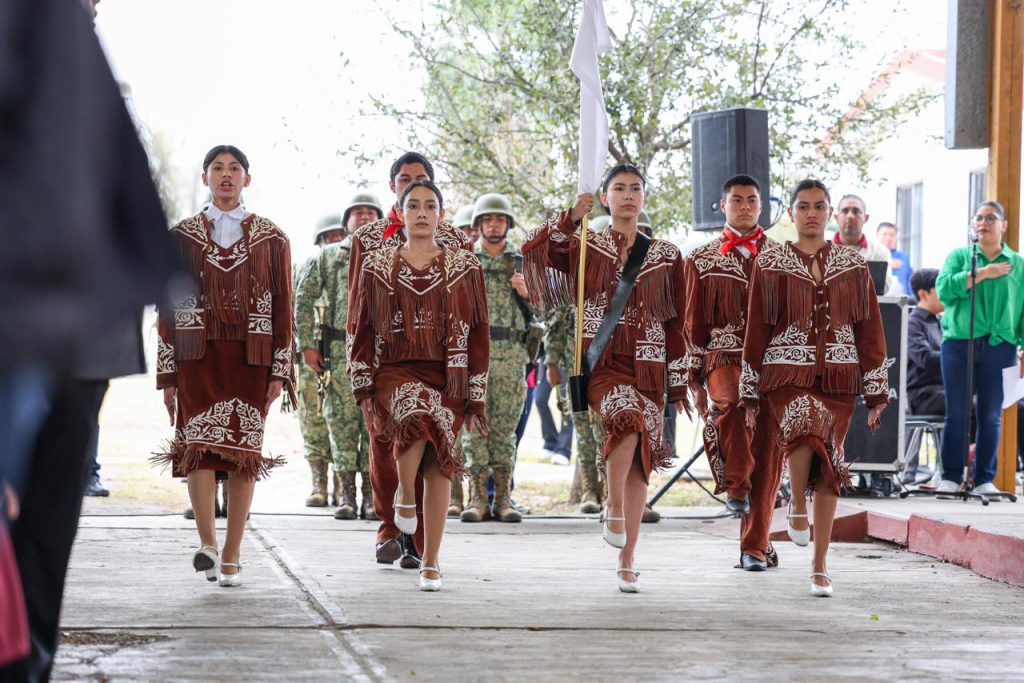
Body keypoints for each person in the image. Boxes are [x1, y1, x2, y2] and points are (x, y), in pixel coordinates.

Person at [0, 1, 181, 678]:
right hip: (20, 320)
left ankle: (30, 661)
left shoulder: (90, 69)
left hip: (82, 341)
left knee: (48, 521)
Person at [522, 164, 687, 592]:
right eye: (619, 188)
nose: (628, 195)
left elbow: (677, 321)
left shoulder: (667, 255)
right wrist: (571, 216)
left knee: (639, 464)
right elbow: (537, 250)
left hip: (650, 366)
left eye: (635, 188)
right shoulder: (585, 246)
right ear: (607, 197)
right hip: (603, 363)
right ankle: (612, 507)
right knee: (626, 416)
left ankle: (627, 558)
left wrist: (679, 380)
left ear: (644, 196)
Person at [154, 145, 294, 588]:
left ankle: (233, 553)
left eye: (235, 169)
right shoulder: (180, 237)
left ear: (247, 180)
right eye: (218, 168)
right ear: (205, 179)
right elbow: (166, 308)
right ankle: (207, 545)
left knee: (242, 456)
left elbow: (284, 310)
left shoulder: (273, 239)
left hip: (251, 358)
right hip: (196, 355)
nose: (226, 175)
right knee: (196, 446)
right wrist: (167, 373)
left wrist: (280, 370)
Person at [741, 179, 888, 597]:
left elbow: (870, 330)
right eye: (802, 206)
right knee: (804, 423)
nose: (811, 213)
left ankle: (820, 566)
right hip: (785, 376)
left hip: (839, 380)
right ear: (791, 213)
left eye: (818, 206)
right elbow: (757, 329)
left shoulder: (852, 264)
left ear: (829, 213)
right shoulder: (770, 263)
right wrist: (750, 392)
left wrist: (876, 394)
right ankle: (796, 505)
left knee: (830, 467)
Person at [350, 180, 489, 590]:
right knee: (416, 410)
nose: (423, 212)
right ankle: (404, 496)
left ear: (442, 215)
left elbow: (479, 333)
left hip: (450, 374)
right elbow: (361, 329)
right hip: (395, 371)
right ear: (400, 212)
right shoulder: (376, 265)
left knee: (441, 459)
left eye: (431, 206)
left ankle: (431, 561)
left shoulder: (466, 267)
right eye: (414, 206)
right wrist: (363, 387)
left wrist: (475, 395)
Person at [682, 173, 781, 571]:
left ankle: (755, 546)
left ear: (761, 206)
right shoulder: (700, 259)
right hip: (723, 356)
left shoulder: (781, 257)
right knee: (732, 403)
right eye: (736, 199)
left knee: (769, 453)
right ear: (722, 206)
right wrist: (694, 380)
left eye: (751, 200)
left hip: (774, 362)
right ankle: (736, 485)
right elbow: (692, 324)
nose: (744, 206)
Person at [296, 195, 384, 521]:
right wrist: (306, 344)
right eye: (357, 214)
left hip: (380, 355)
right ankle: (347, 497)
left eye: (370, 213)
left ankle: (372, 498)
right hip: (338, 351)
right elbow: (303, 299)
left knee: (374, 425)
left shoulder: (394, 255)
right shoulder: (329, 257)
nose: (364, 218)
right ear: (346, 222)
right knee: (341, 423)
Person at [935, 200, 1024, 499]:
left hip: (1002, 346)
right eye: (978, 218)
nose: (983, 223)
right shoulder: (961, 256)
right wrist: (982, 273)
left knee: (990, 415)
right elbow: (944, 290)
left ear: (1004, 226)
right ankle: (950, 476)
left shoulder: (1017, 263)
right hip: (959, 344)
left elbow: (1021, 308)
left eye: (990, 218)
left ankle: (984, 477)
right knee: (956, 412)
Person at [460, 193, 531, 524]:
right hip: (473, 356)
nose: (493, 225)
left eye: (499, 219)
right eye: (487, 220)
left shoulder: (521, 262)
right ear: (478, 225)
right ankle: (476, 498)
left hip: (511, 357)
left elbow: (549, 310)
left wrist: (527, 293)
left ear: (508, 224)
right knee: (473, 430)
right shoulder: (463, 261)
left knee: (505, 430)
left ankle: (503, 499)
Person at [294, 215, 347, 509]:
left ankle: (341, 486)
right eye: (329, 237)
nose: (335, 240)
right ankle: (318, 485)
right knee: (313, 421)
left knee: (341, 421)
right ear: (319, 242)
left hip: (339, 354)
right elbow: (294, 308)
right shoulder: (306, 268)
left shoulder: (350, 269)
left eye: (340, 234)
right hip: (311, 357)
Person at [834, 194, 903, 295]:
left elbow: (883, 287)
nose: (850, 216)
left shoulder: (879, 252)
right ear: (836, 217)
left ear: (866, 218)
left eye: (856, 211)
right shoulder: (820, 250)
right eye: (845, 211)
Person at [907, 268, 945, 416]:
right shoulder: (912, 324)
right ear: (923, 294)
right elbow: (925, 359)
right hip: (924, 395)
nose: (946, 293)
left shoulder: (940, 323)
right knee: (975, 406)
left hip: (943, 390)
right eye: (941, 288)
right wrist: (957, 355)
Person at [877, 221, 913, 296]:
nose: (888, 237)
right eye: (885, 234)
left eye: (891, 235)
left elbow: (909, 280)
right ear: (877, 235)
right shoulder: (871, 256)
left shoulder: (903, 257)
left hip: (902, 301)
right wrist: (888, 264)